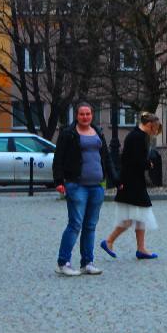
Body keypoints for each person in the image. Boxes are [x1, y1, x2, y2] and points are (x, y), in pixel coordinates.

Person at [52, 102, 117, 277]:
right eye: (82, 114)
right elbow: (58, 159)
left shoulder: (98, 133)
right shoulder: (68, 134)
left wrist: (115, 178)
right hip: (76, 185)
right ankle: (63, 262)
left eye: (88, 114)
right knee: (75, 224)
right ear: (77, 116)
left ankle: (87, 262)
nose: (85, 117)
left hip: (96, 186)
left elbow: (106, 158)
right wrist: (59, 181)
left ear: (92, 115)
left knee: (90, 226)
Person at [100, 112, 162, 261]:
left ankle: (141, 248)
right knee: (131, 217)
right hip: (131, 181)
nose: (155, 132)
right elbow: (136, 160)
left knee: (140, 215)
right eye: (155, 128)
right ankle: (109, 241)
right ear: (149, 124)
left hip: (132, 180)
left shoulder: (136, 135)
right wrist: (149, 164)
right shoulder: (138, 137)